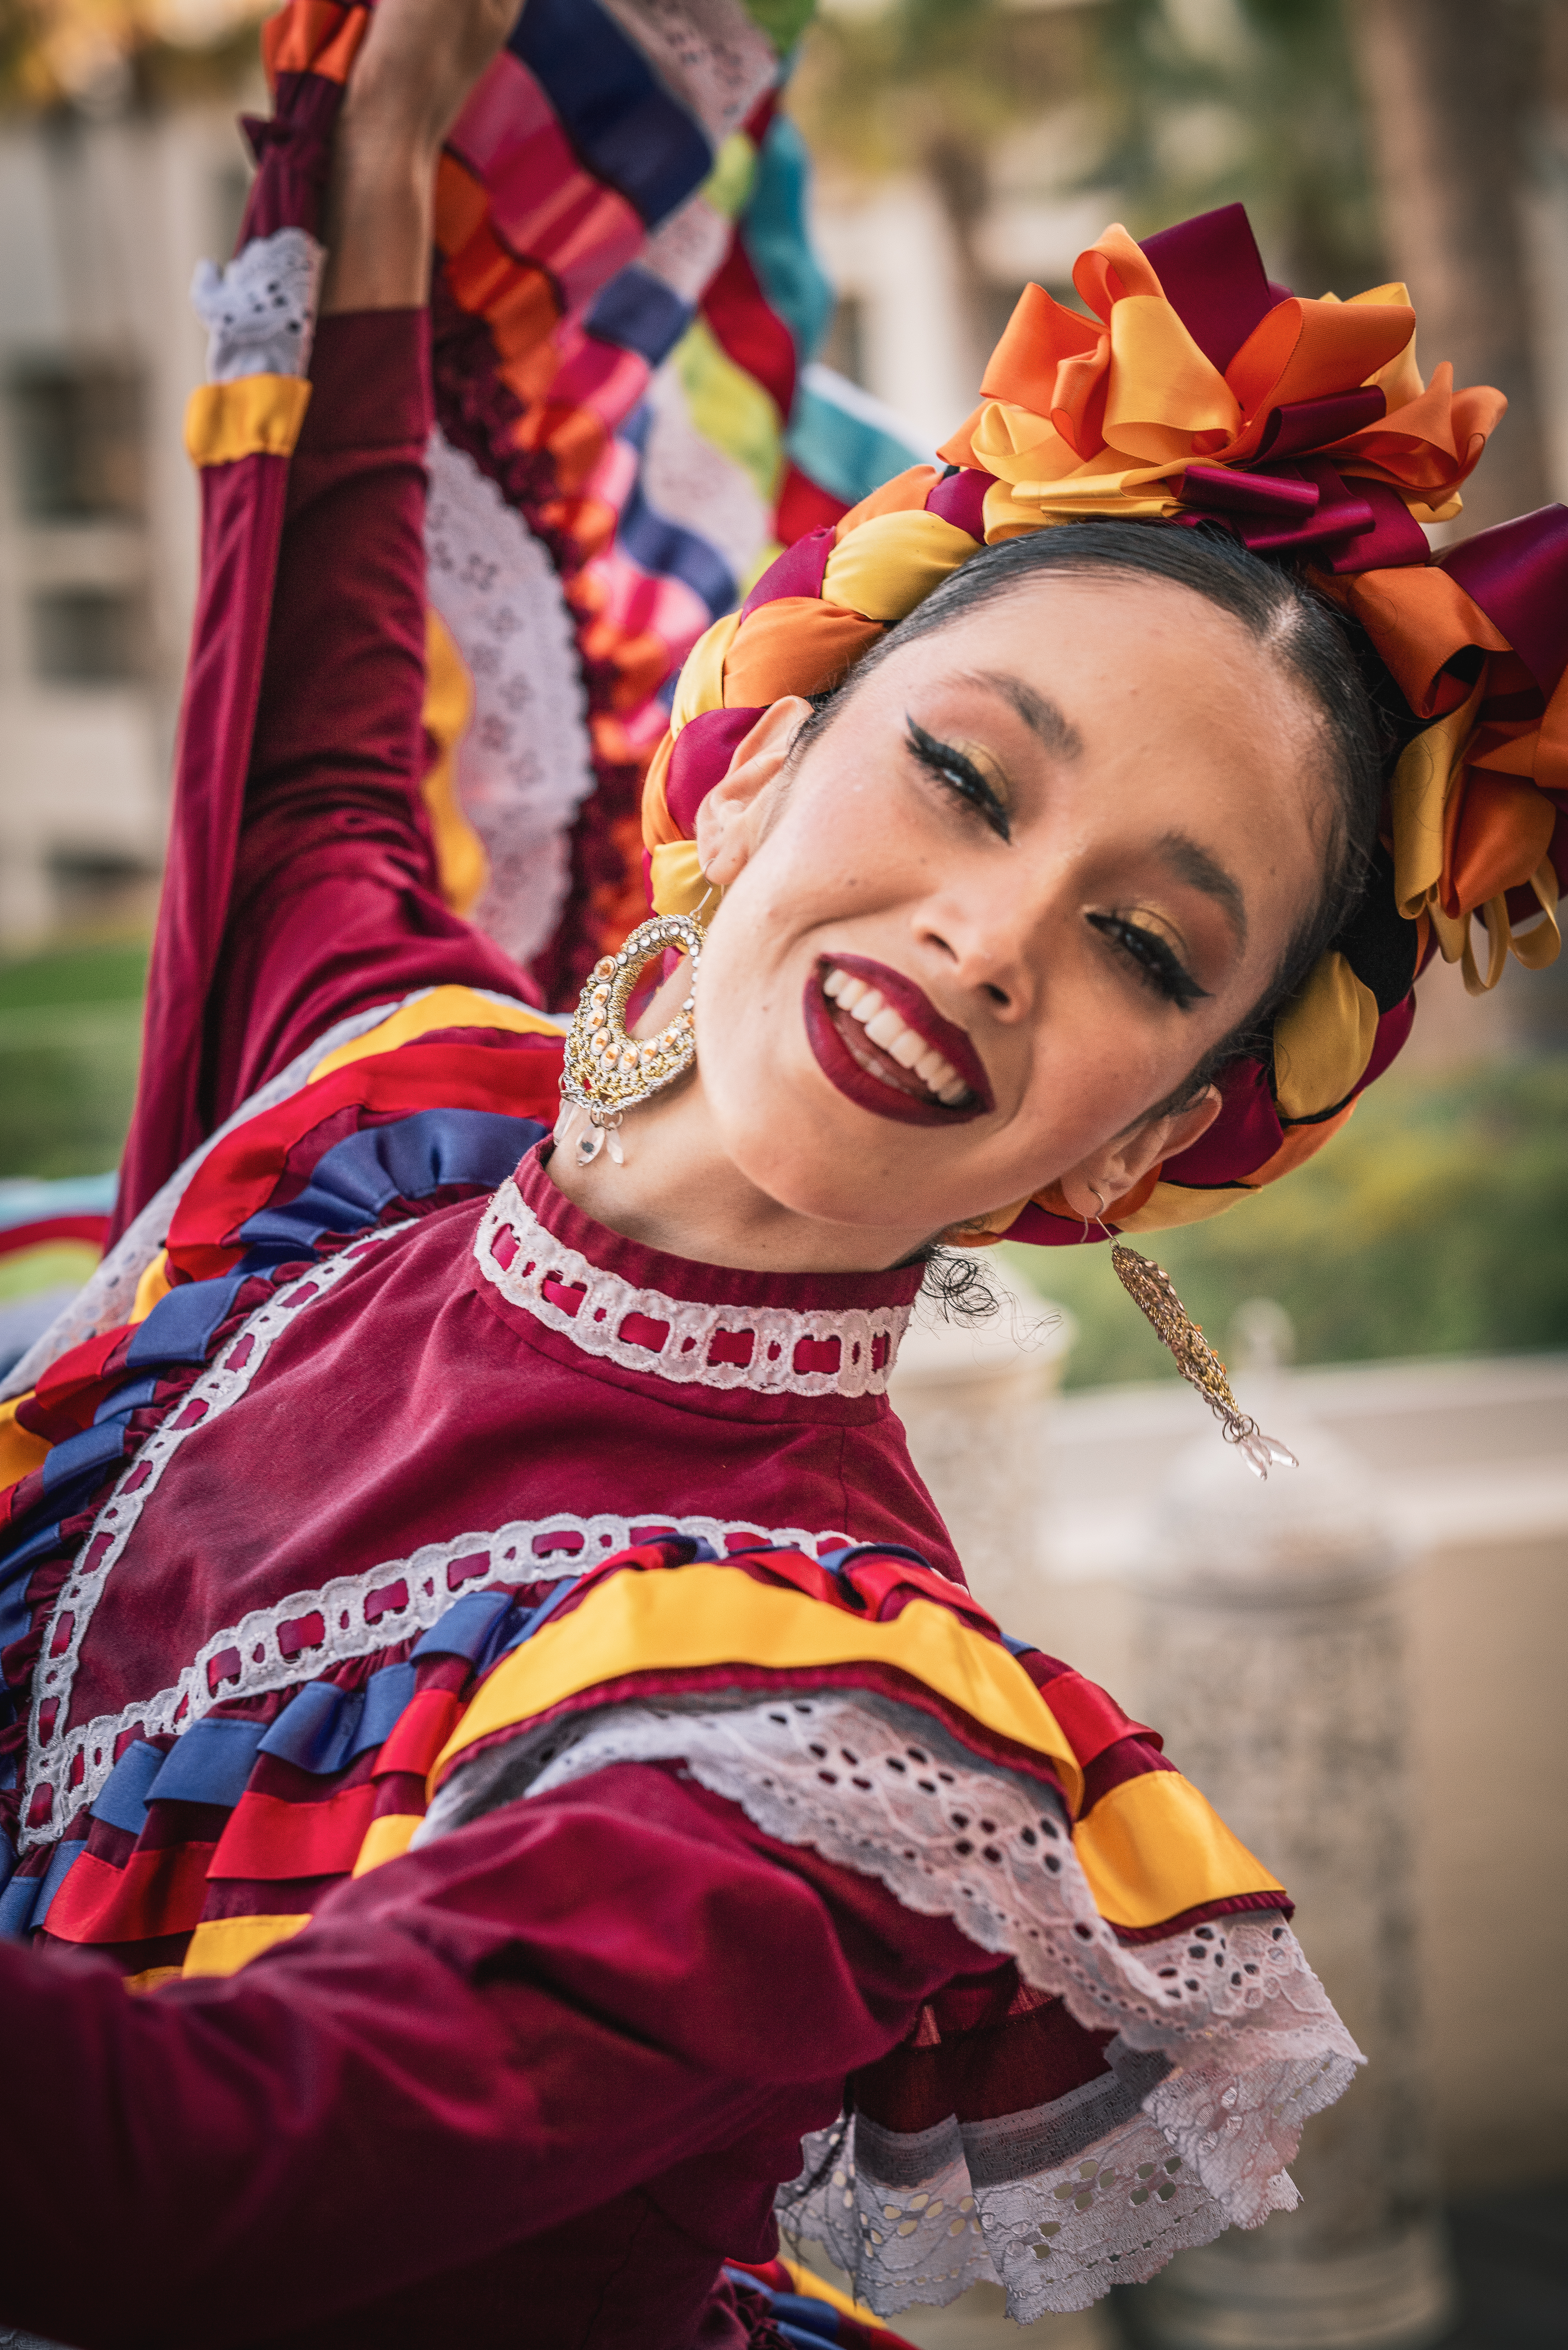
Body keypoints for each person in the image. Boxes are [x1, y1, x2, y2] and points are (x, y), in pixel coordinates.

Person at [0, 3, 1563, 2346]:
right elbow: (306, 703)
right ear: (753, 771)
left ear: (1148, 1137)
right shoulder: (383, 1103)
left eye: (1144, 941)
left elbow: (172, 2177)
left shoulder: (818, 1723)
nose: (991, 933)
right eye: (962, 775)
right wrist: (377, 131)